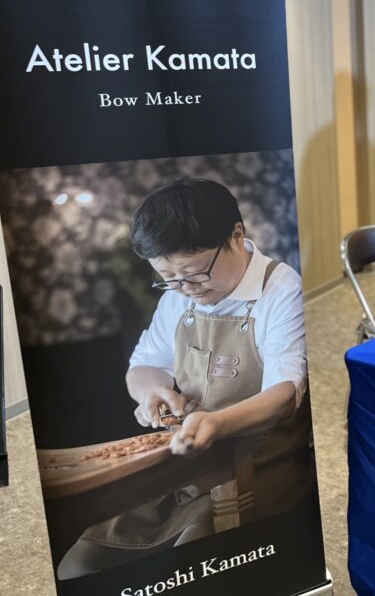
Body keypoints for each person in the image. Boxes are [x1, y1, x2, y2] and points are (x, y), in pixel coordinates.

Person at [58, 178, 311, 578]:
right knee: (78, 566)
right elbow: (142, 367)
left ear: (236, 235)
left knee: (187, 567)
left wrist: (216, 423)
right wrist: (153, 392)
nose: (184, 289)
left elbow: (284, 393)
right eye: (168, 277)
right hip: (181, 467)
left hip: (257, 467)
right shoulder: (177, 297)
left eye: (195, 274)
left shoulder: (281, 290)